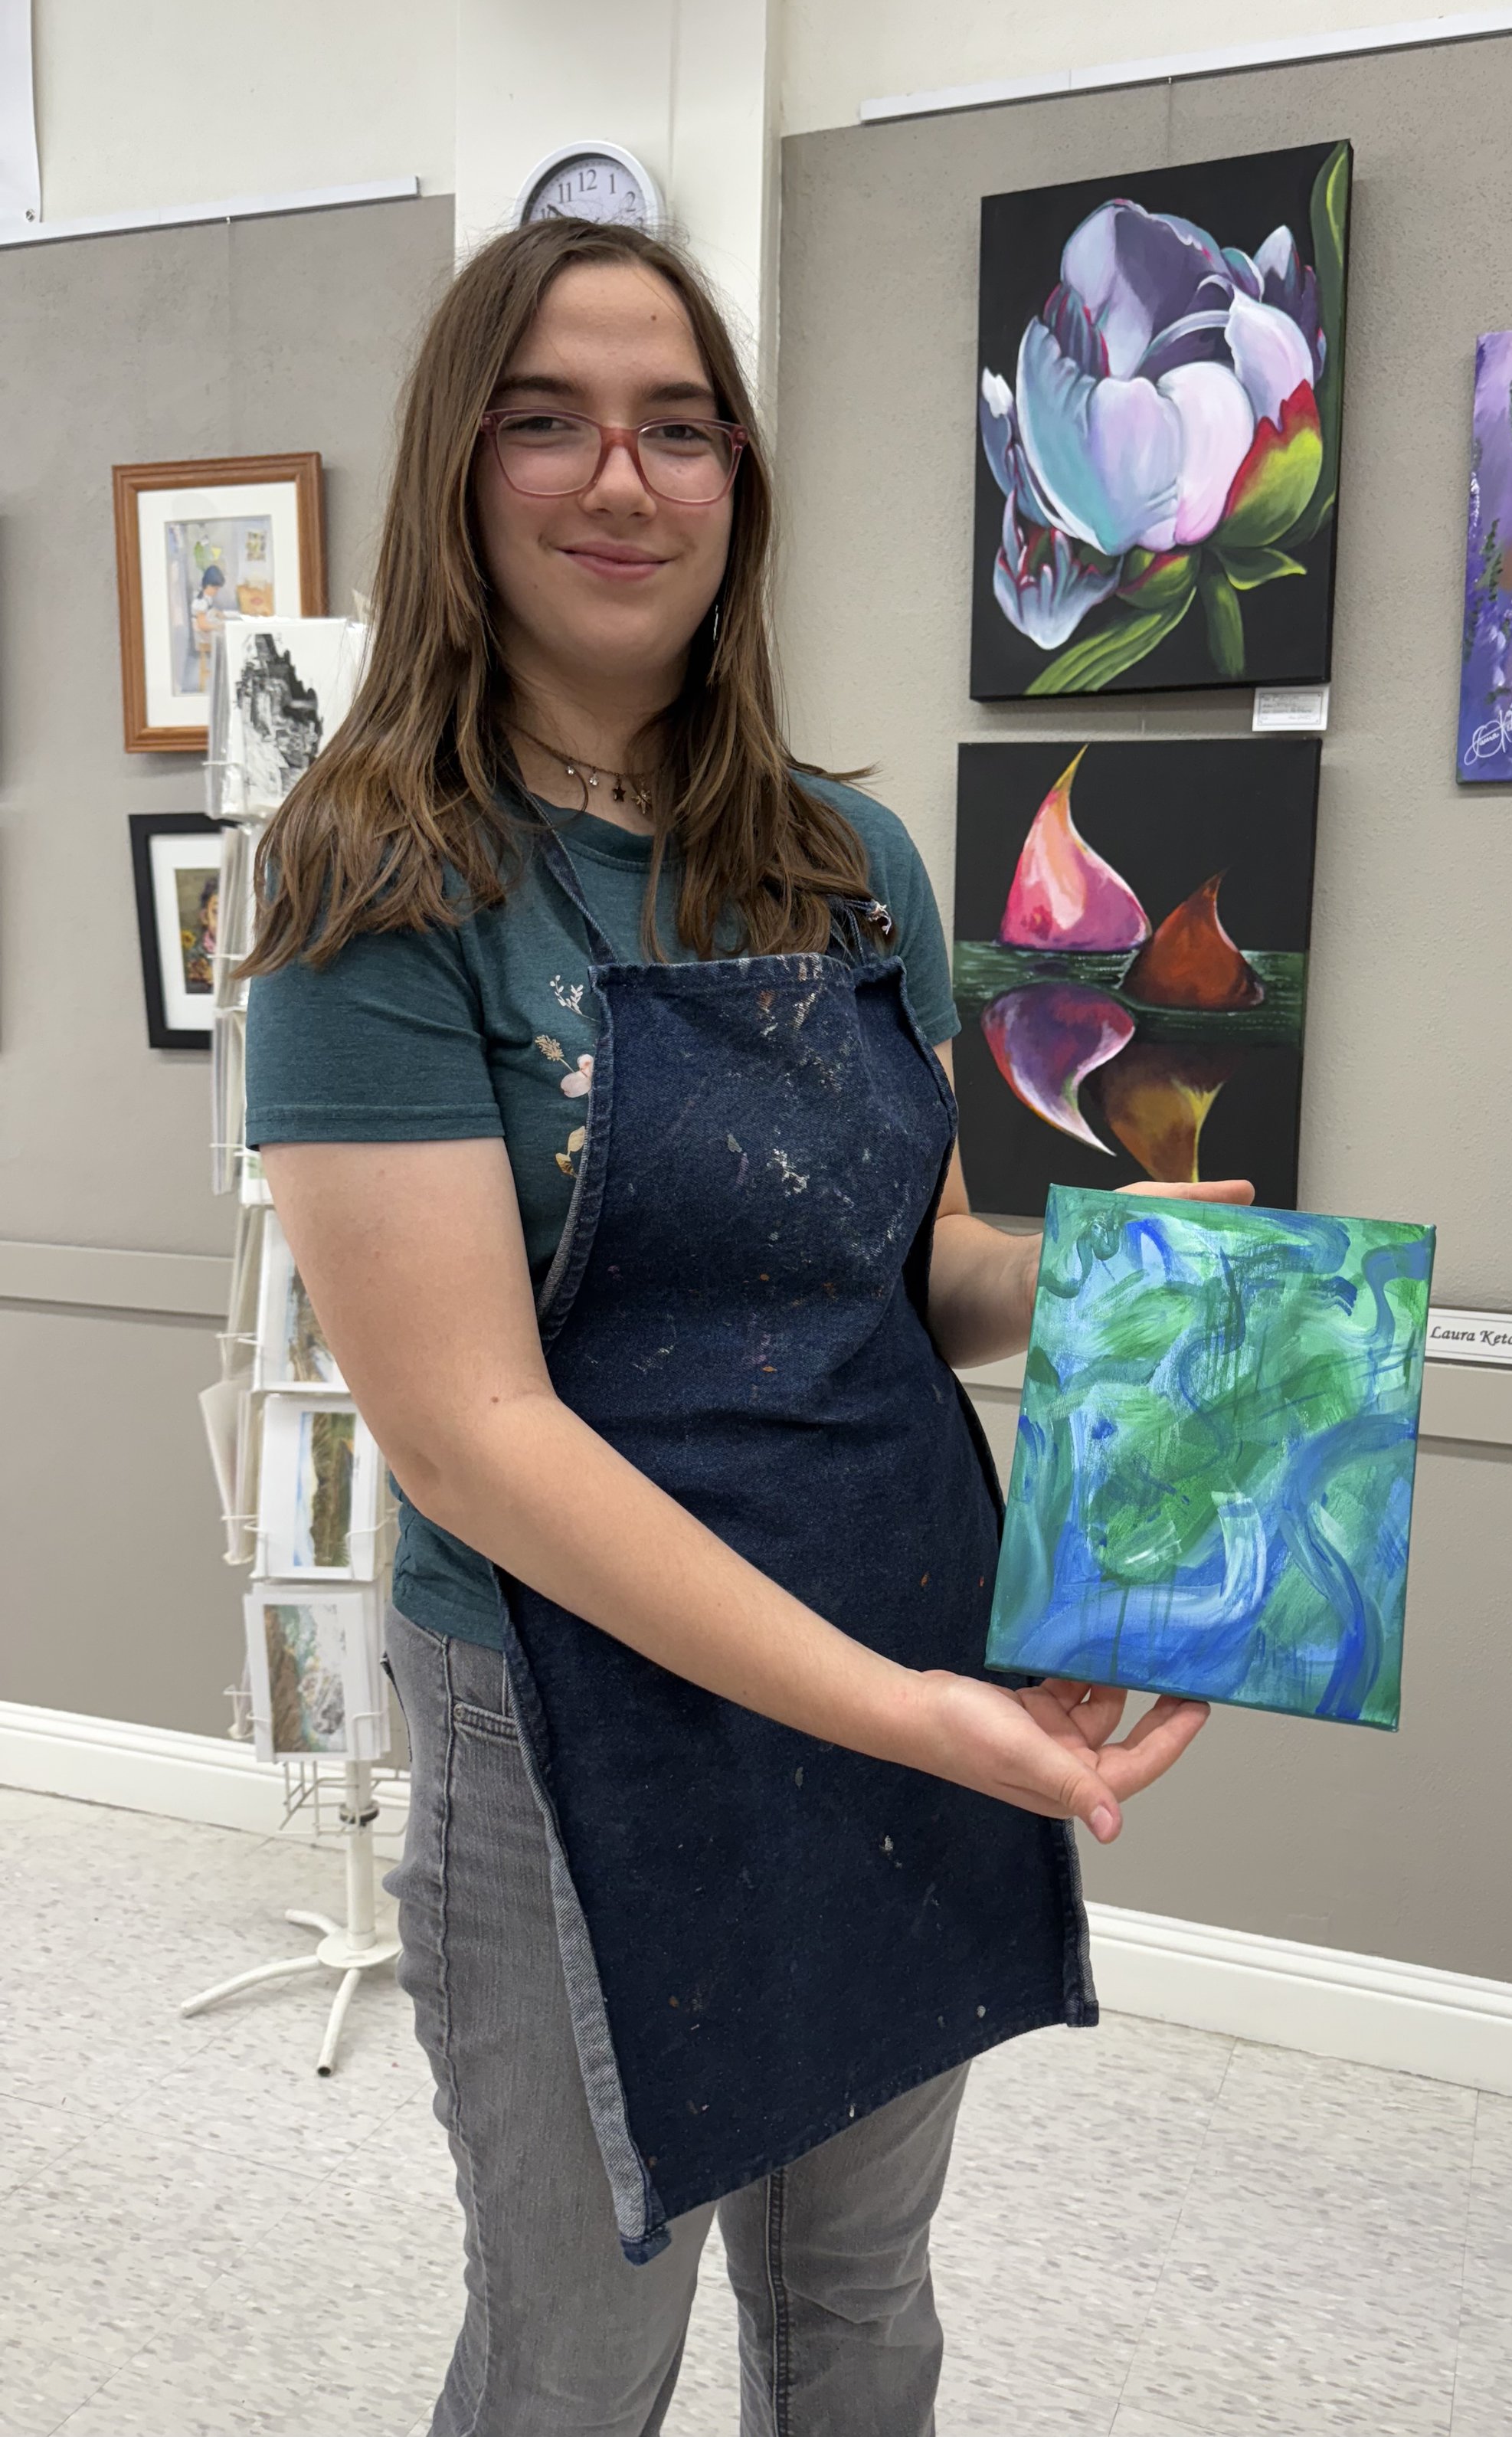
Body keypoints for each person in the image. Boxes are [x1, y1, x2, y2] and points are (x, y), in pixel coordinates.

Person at [242, 216, 1242, 2437]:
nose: (622, 479)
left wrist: (1119, 1266)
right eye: (550, 423)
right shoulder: (372, 888)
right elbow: (475, 1434)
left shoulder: (842, 855)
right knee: (580, 2340)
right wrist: (905, 1711)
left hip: (899, 1648)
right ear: (456, 475)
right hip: (582, 1717)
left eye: (677, 427)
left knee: (861, 2294)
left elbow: (921, 1282)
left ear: (735, 486)